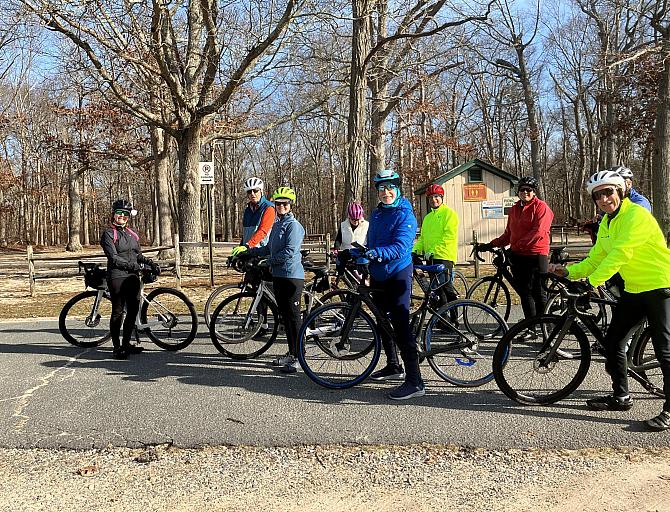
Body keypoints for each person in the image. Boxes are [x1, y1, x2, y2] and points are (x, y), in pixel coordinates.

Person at [549, 170, 670, 431]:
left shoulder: (636, 215)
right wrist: (571, 272)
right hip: (635, 289)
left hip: (661, 286)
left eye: (608, 192)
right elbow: (597, 258)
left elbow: (620, 255)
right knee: (614, 341)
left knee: (665, 350)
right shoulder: (607, 222)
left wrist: (591, 282)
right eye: (598, 196)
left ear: (620, 191)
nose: (604, 199)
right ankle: (621, 397)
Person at [364, 169, 423, 400]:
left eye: (390, 188)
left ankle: (415, 381)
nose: (386, 192)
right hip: (379, 273)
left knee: (400, 325)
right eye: (381, 189)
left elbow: (400, 247)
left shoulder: (405, 214)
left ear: (397, 189)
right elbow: (371, 244)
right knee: (381, 321)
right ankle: (393, 365)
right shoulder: (377, 215)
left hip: (398, 272)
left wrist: (376, 253)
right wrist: (353, 255)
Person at [233, 186, 305, 374]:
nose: (281, 206)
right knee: (285, 318)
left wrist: (268, 261)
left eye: (285, 204)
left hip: (292, 277)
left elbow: (289, 252)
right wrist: (249, 252)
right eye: (278, 203)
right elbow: (268, 249)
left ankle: (299, 357)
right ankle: (291, 353)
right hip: (279, 276)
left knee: (293, 317)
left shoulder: (294, 226)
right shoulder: (278, 224)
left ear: (291, 206)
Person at [479, 176, 554, 326]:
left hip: (536, 254)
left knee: (539, 294)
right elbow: (509, 234)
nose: (525, 192)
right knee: (525, 293)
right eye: (522, 189)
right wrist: (490, 244)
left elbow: (538, 232)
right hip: (519, 256)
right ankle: (530, 327)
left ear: (534, 192)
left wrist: (515, 246)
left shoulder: (541, 207)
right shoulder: (514, 209)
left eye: (529, 190)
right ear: (517, 191)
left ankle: (547, 329)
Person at [101, 199, 160, 360]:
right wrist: (135, 267)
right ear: (113, 214)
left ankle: (126, 343)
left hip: (133, 277)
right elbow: (113, 258)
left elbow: (137, 255)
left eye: (125, 214)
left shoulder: (132, 234)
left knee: (133, 311)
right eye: (119, 213)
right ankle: (116, 347)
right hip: (117, 276)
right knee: (118, 312)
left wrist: (150, 263)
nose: (122, 216)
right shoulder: (108, 234)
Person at [412, 183, 459, 308]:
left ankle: (453, 320)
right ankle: (441, 318)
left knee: (446, 289)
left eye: (436, 196)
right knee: (436, 291)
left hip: (444, 256)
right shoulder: (428, 218)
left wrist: (433, 250)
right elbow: (422, 238)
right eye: (430, 198)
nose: (433, 200)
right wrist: (415, 250)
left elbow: (448, 237)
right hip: (430, 258)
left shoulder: (449, 214)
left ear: (442, 197)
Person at [231, 177, 276, 259]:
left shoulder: (269, 208)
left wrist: (248, 245)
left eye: (255, 190)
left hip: (262, 252)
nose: (252, 194)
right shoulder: (247, 210)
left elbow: (263, 231)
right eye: (249, 191)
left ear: (261, 191)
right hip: (249, 252)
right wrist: (241, 248)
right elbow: (246, 234)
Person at [332, 201, 369, 274]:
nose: (355, 222)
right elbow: (339, 239)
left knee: (362, 277)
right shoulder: (343, 225)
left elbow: (370, 239)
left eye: (357, 220)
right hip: (346, 254)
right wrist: (336, 249)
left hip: (361, 255)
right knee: (347, 276)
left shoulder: (366, 225)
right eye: (353, 219)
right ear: (349, 217)